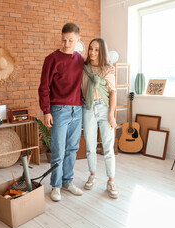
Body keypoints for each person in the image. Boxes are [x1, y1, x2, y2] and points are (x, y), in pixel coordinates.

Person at [38, 23, 84, 202]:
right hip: (58, 110)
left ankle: (67, 182)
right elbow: (44, 87)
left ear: (78, 40)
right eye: (64, 40)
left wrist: (109, 68)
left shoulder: (81, 60)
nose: (66, 44)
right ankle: (55, 186)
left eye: (71, 40)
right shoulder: (52, 59)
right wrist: (46, 111)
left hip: (77, 109)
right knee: (58, 149)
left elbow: (94, 73)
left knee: (72, 149)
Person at [81, 38, 119, 199]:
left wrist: (111, 115)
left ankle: (111, 181)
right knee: (90, 146)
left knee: (108, 148)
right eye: (90, 49)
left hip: (104, 108)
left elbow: (113, 93)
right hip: (88, 108)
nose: (93, 52)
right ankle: (92, 174)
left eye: (96, 49)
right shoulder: (83, 69)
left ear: (101, 51)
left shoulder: (107, 70)